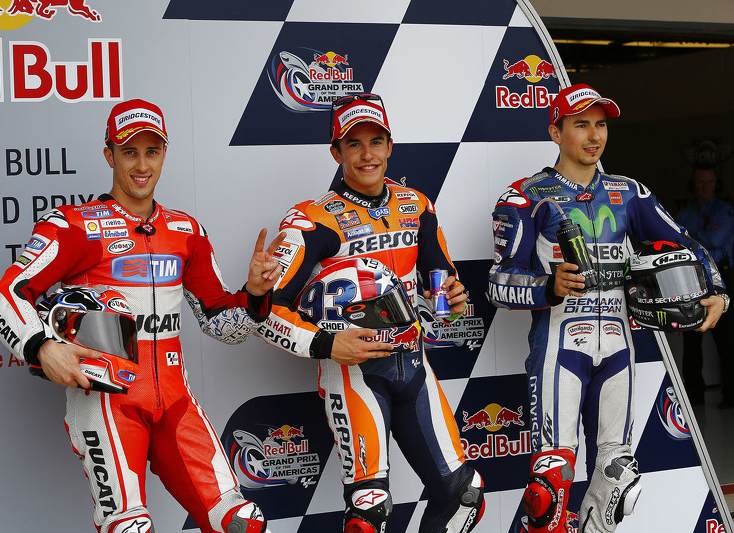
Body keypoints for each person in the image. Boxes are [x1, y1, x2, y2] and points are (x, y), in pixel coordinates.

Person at [0, 98, 284, 533]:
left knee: (242, 523)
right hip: (107, 406)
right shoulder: (73, 226)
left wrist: (255, 295)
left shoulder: (186, 232)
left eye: (152, 151)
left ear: (164, 154)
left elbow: (220, 324)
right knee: (129, 528)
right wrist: (41, 347)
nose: (142, 165)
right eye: (129, 152)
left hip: (175, 403)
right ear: (110, 155)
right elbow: (3, 297)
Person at [487, 84, 728, 533]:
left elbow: (686, 245)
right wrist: (547, 286)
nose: (594, 135)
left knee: (618, 479)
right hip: (558, 349)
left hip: (619, 348)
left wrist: (717, 289)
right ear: (555, 132)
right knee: (549, 488)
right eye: (581, 125)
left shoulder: (629, 192)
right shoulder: (525, 196)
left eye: (600, 125)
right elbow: (498, 283)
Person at [257, 93, 485, 533]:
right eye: (354, 143)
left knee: (463, 495)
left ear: (390, 146)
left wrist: (452, 304)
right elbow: (266, 313)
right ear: (336, 152)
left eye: (376, 141)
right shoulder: (311, 220)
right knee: (370, 510)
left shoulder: (416, 206)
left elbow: (441, 291)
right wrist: (327, 344)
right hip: (354, 374)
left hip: (414, 366)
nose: (367, 154)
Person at [676, 147, 734, 407]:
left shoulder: (725, 212)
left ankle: (730, 395)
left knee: (726, 341)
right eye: (701, 182)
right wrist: (698, 239)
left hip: (722, 279)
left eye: (710, 182)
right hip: (692, 281)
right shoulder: (684, 214)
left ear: (716, 183)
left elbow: (715, 240)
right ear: (694, 183)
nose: (705, 186)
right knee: (692, 341)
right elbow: (677, 244)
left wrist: (693, 239)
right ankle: (694, 396)